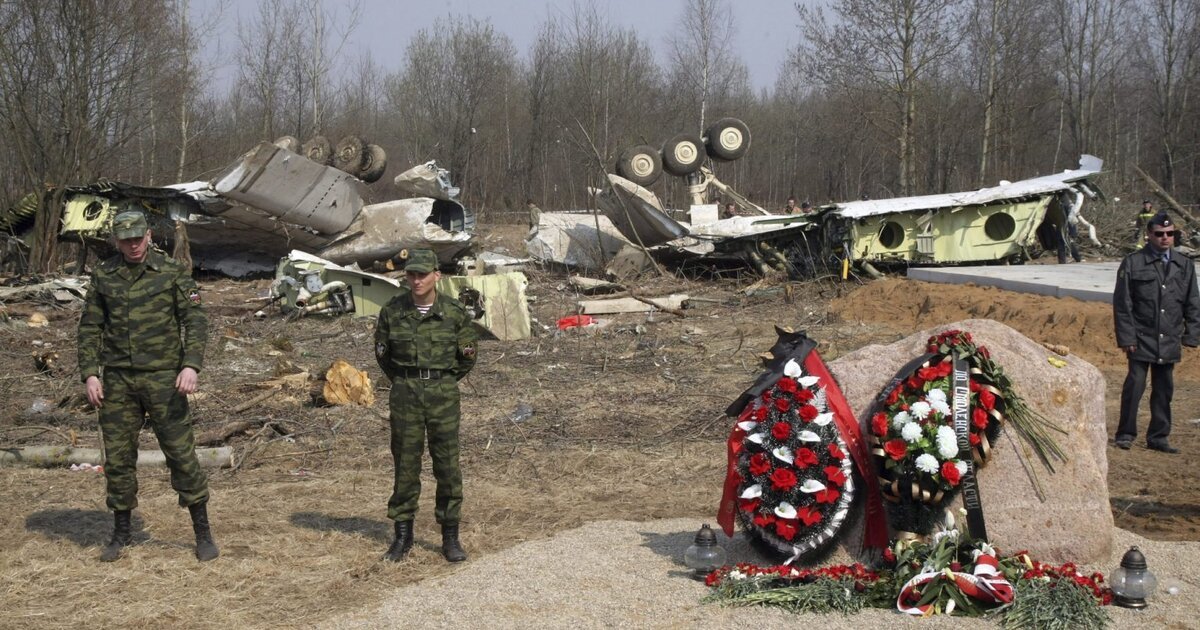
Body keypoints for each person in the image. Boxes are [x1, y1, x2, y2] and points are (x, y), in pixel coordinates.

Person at [77, 211, 216, 562]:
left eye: (138, 238)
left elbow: (195, 319)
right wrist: (90, 374)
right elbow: (90, 327)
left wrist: (190, 365)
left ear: (149, 235)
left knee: (181, 455)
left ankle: (202, 533)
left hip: (165, 378)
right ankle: (121, 533)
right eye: (126, 240)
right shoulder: (105, 275)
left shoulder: (171, 272)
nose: (134, 245)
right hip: (118, 381)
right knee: (119, 459)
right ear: (116, 241)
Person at [374, 248, 478, 562]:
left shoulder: (454, 312)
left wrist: (439, 380)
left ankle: (450, 536)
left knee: (447, 465)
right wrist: (407, 380)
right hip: (405, 392)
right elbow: (383, 355)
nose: (416, 280)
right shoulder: (393, 311)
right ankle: (403, 536)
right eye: (411, 274)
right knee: (405, 464)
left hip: (442, 393)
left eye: (422, 274)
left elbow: (466, 359)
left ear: (437, 275)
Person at [1113, 213, 1200, 453]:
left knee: (1164, 389)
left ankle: (1159, 437)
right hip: (1141, 337)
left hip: (1169, 336)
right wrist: (1127, 337)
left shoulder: (1184, 265)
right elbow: (1123, 303)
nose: (1165, 238)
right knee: (1135, 385)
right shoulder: (1133, 263)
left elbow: (1193, 301)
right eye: (1160, 234)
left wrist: (1192, 334)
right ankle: (1125, 433)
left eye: (1170, 234)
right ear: (1149, 235)